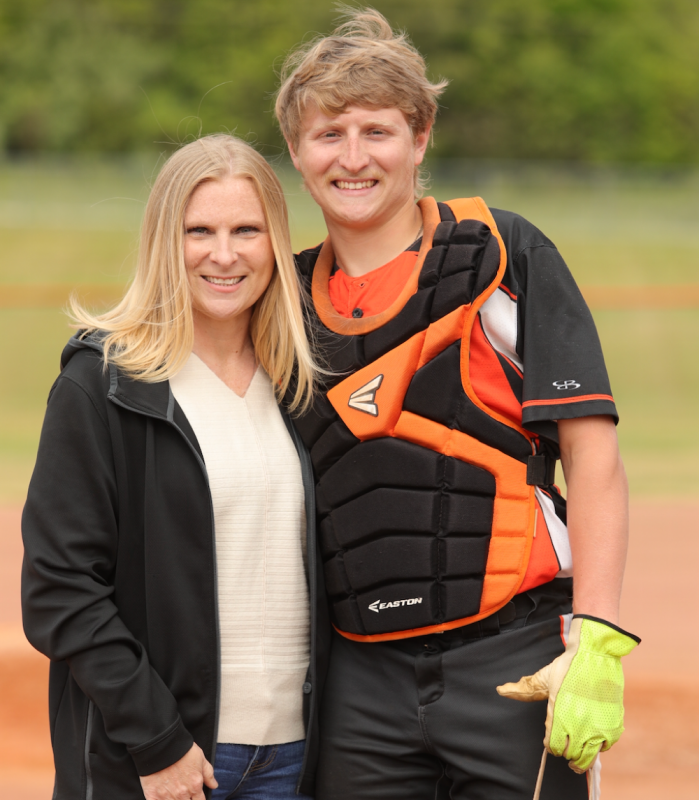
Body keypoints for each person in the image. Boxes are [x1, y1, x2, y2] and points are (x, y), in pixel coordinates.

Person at [273, 9, 640, 800]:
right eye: (328, 134)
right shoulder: (280, 304)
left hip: (512, 661)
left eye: (376, 131)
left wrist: (596, 644)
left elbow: (591, 454)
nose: (353, 157)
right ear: (297, 154)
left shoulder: (501, 255)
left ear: (420, 135)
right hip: (357, 681)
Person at [21, 134, 330, 800]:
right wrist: (157, 742)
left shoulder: (303, 385)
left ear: (275, 242)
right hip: (168, 762)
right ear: (166, 240)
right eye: (199, 231)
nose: (224, 254)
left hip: (298, 761)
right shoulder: (101, 385)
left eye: (246, 230)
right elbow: (60, 591)